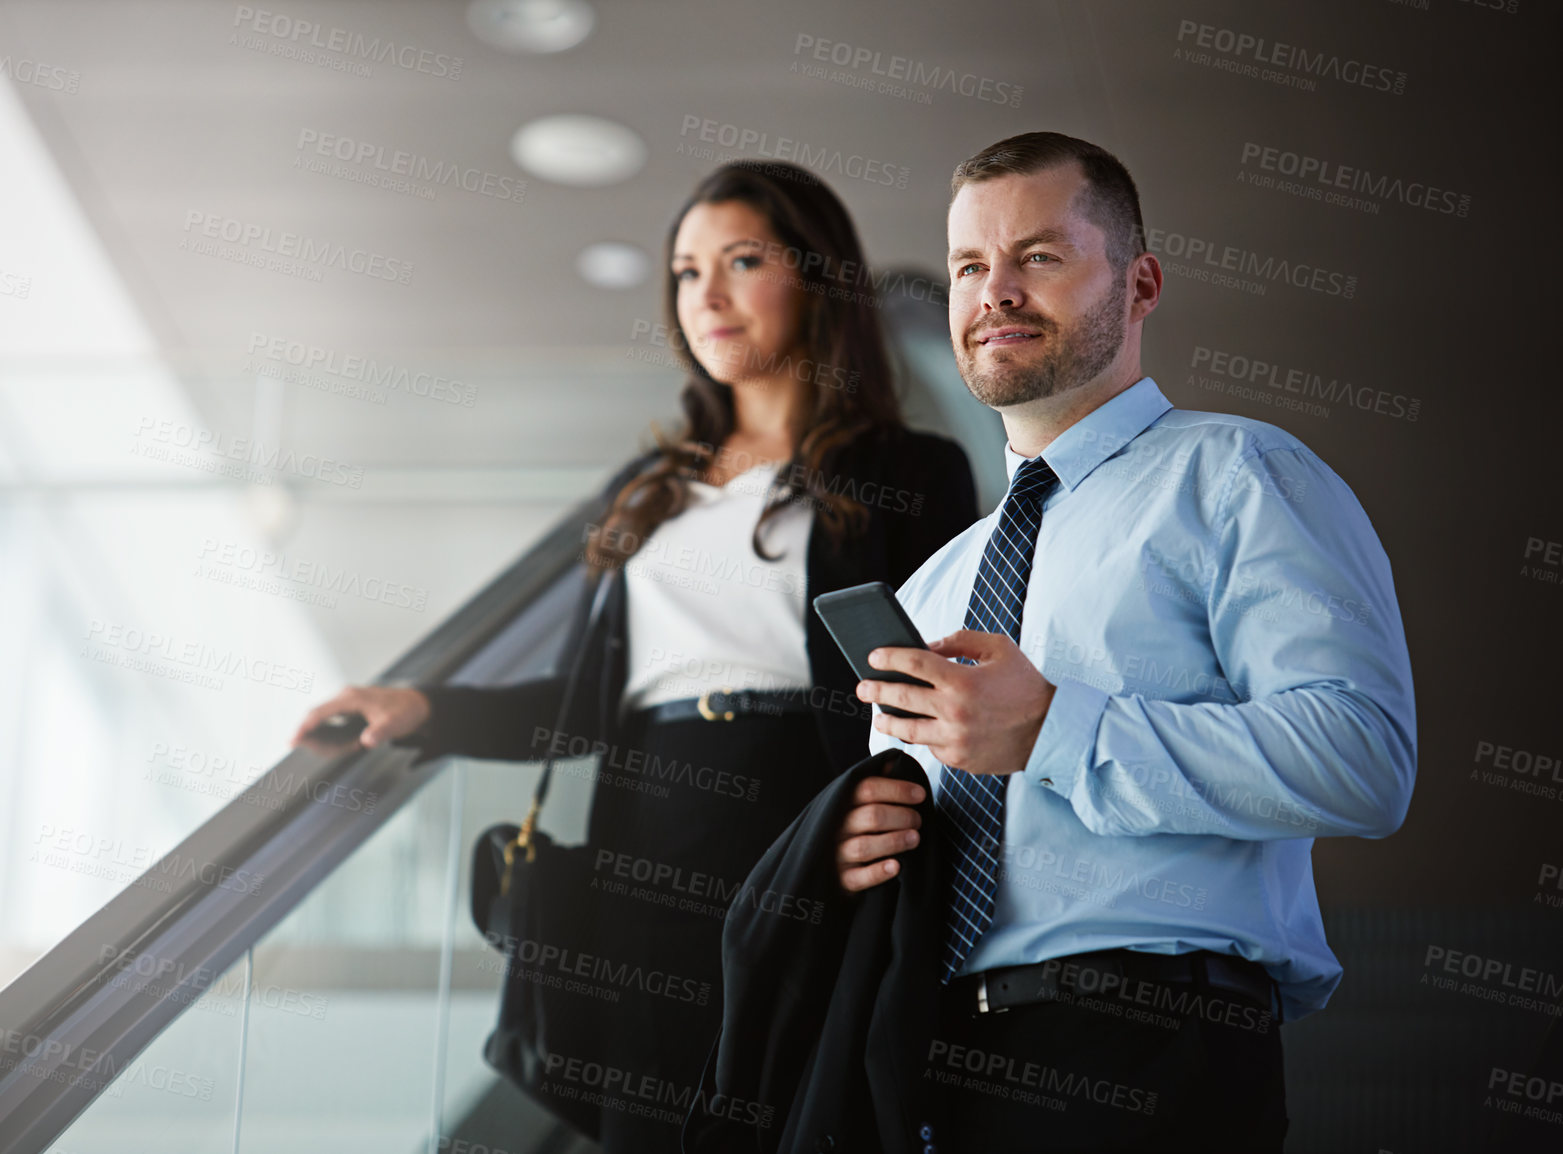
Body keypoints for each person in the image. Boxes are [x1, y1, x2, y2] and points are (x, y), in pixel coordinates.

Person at [294, 160, 979, 1153]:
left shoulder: (909, 469)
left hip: (801, 830)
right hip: (639, 845)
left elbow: (933, 685)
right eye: (686, 271)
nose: (706, 293)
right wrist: (424, 708)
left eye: (742, 260)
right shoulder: (647, 488)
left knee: (795, 1115)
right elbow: (582, 706)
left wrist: (880, 810)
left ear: (818, 277)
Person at [834, 132, 1416, 1151]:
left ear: (1141, 282)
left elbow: (1363, 759)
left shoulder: (1239, 476)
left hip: (1146, 1052)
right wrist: (864, 846)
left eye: (1040, 256)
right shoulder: (933, 585)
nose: (995, 291)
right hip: (935, 1073)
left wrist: (1056, 727)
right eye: (972, 264)